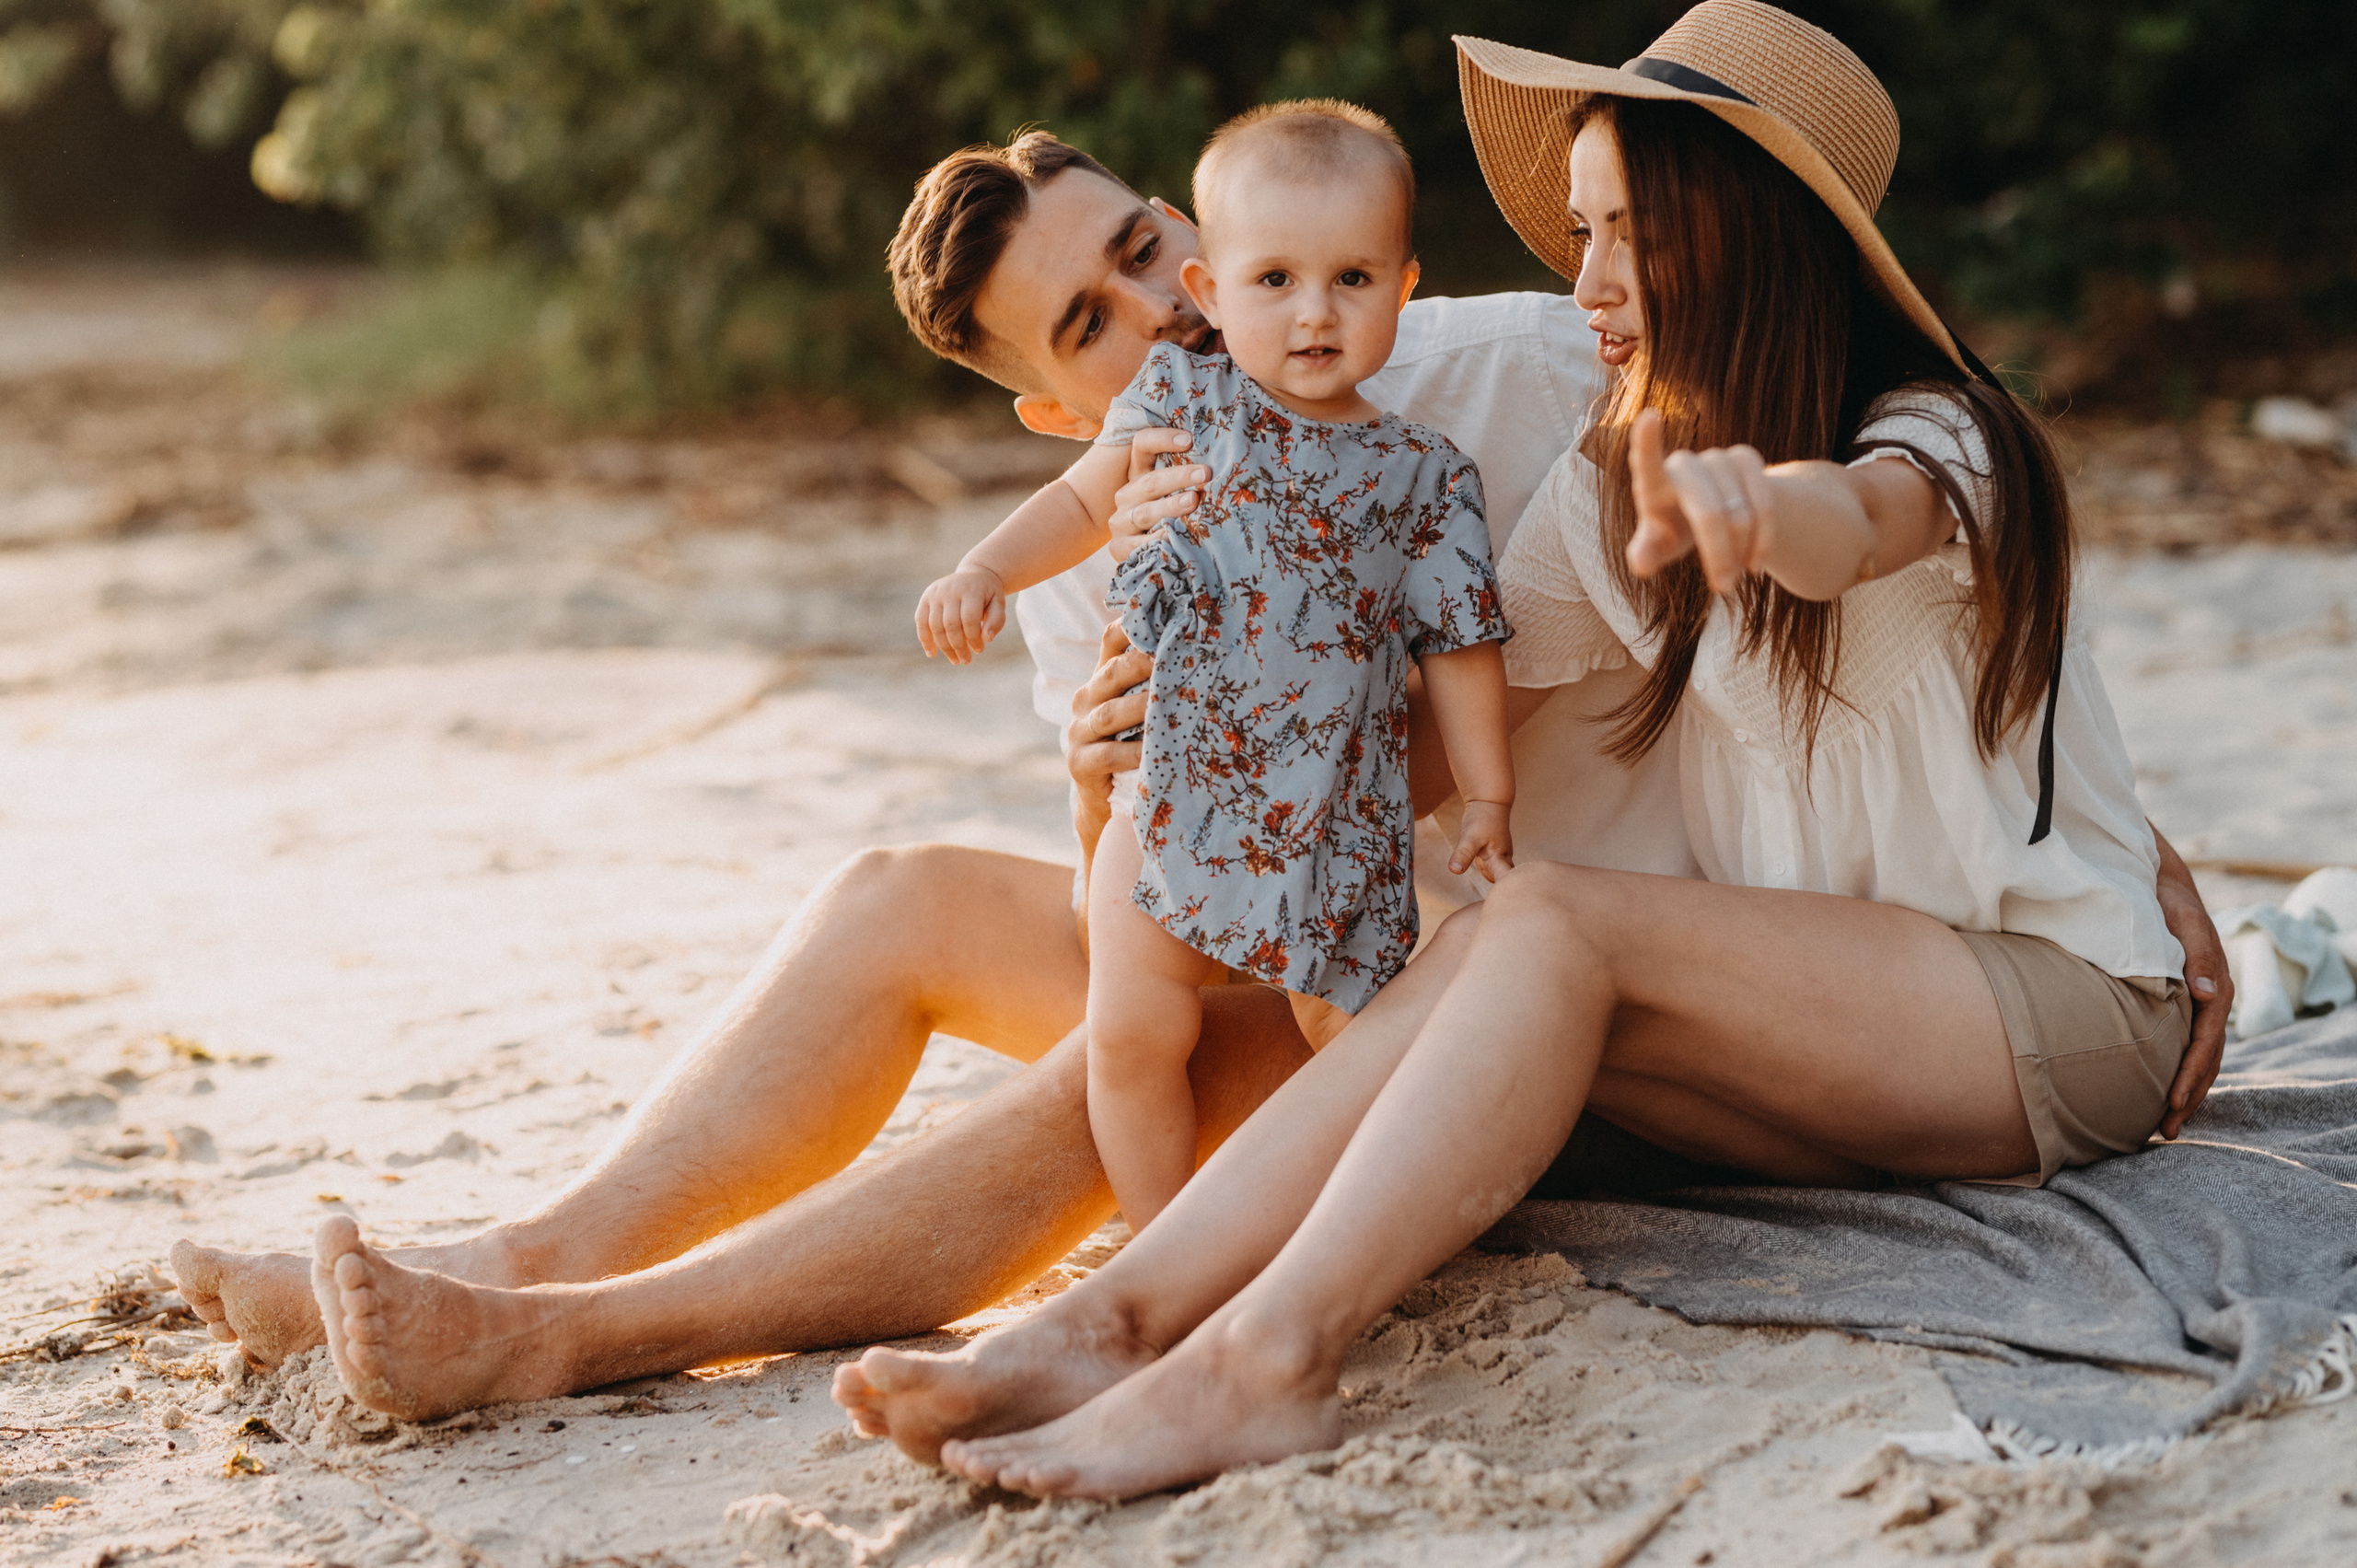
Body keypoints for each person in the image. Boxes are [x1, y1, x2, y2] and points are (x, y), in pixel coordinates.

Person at [166, 63, 2231, 1419]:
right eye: (1089, 325)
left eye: (1150, 250)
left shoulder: (1508, 369)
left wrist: (2135, 856)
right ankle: (518, 1250)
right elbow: (1167, 880)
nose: (1168, 314)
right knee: (913, 899)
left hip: (1577, 948)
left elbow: (1867, 541)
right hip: (1345, 919)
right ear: (1050, 416)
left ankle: (563, 1333)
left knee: (1139, 1058)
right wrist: (1101, 785)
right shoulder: (1108, 540)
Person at [830, 0, 2231, 1500]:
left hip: (2055, 1020)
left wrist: (1760, 510)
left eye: (1636, 236)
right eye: (1582, 232)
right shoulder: (1605, 479)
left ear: (1757, 236)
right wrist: (1177, 723)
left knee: (1557, 911)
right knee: (1502, 921)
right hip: (1837, 1021)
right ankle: (1118, 1320)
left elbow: (1860, 521)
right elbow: (1409, 732)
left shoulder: (1943, 437)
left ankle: (1270, 1362)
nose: (1593, 284)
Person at [916, 100, 1516, 1229]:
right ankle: (1162, 1237)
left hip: (1332, 815)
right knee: (1133, 1030)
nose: (1312, 313)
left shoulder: (1424, 471)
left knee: (1347, 1027)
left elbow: (1465, 640)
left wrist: (1490, 791)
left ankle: (1359, 1225)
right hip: (1168, 803)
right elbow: (1076, 500)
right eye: (1091, 321)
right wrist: (986, 571)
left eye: (1140, 249)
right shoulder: (1175, 406)